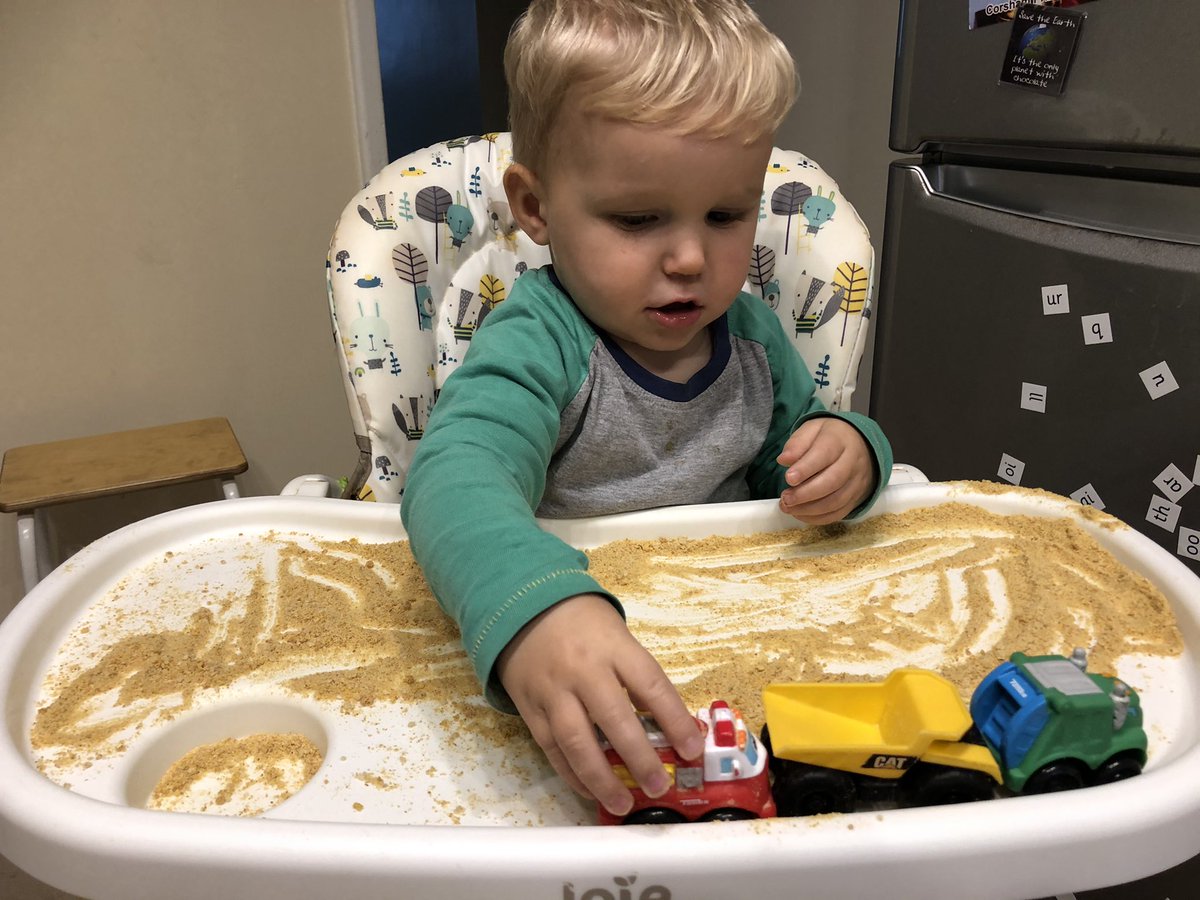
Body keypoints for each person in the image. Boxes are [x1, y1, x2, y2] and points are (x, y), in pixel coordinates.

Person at [400, 0, 893, 819]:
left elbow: (794, 459)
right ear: (535, 207)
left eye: (727, 215)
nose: (692, 258)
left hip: (738, 661)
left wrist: (849, 449)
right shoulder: (538, 343)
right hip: (579, 673)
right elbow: (455, 476)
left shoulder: (753, 341)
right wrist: (535, 612)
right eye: (638, 219)